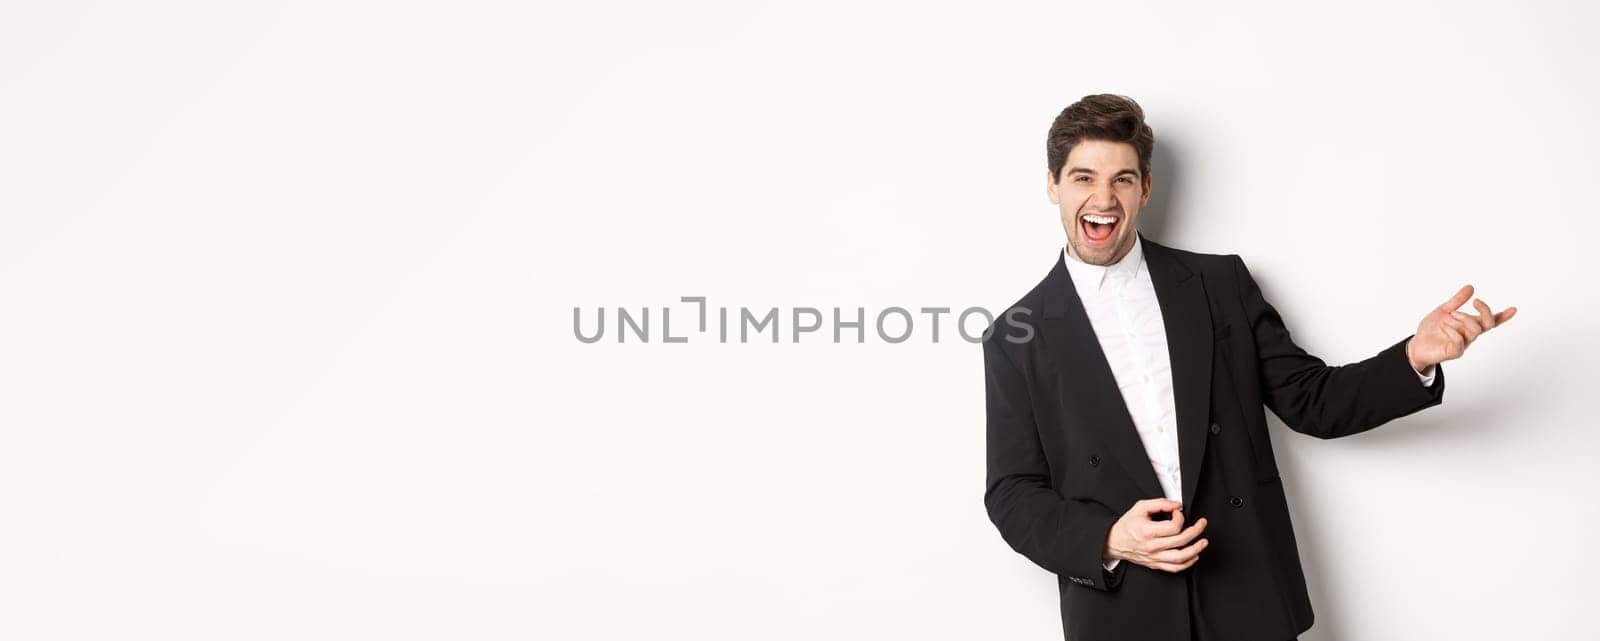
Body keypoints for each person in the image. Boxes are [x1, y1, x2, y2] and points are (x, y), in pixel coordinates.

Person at [981, 94, 1515, 641]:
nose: (1103, 198)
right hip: (1123, 612)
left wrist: (1414, 358)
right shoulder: (1015, 334)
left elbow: (1313, 400)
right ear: (1052, 185)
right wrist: (1110, 538)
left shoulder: (1219, 285)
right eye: (1083, 177)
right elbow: (1012, 492)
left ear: (1144, 188)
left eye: (1121, 179)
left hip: (1247, 596)